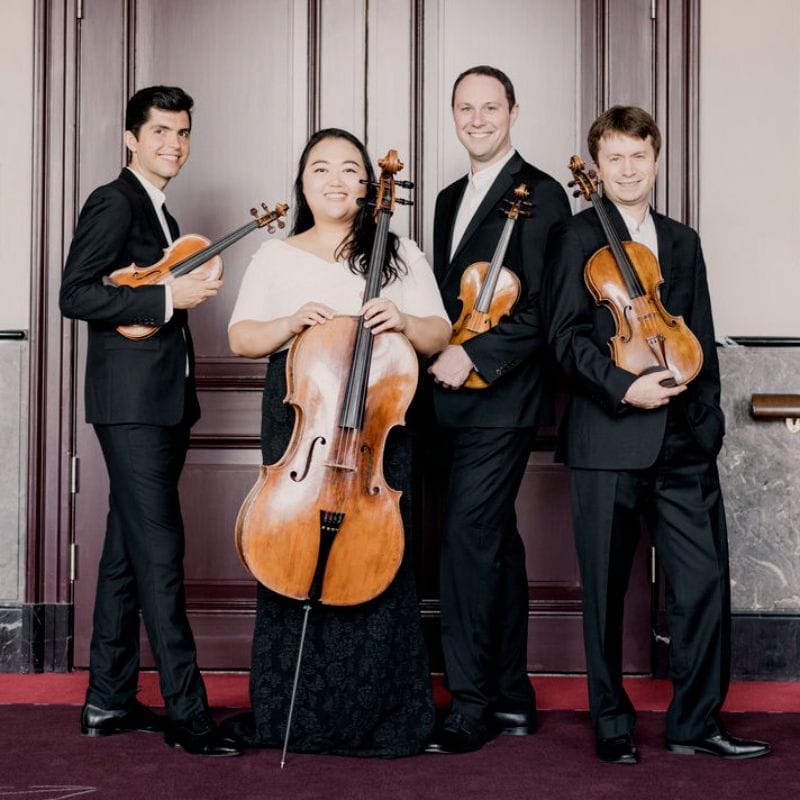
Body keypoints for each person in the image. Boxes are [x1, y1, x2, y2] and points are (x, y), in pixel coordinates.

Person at [543, 105, 770, 764]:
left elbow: (696, 332)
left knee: (702, 585)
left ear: (656, 160)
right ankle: (612, 726)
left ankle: (695, 724)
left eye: (638, 156)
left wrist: (708, 423)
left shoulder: (682, 240)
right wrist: (623, 387)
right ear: (597, 166)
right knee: (606, 593)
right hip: (607, 436)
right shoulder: (573, 237)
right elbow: (563, 338)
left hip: (680, 440)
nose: (627, 169)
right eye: (614, 158)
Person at [226, 128, 451, 756]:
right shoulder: (275, 255)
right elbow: (241, 338)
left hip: (376, 429)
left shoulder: (397, 250)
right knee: (289, 553)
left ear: (369, 185)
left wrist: (404, 319)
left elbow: (438, 333)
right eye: (320, 168)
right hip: (303, 425)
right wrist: (289, 320)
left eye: (350, 169)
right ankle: (289, 713)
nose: (335, 180)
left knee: (376, 559)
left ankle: (377, 714)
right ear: (302, 182)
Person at [59, 85, 239, 757]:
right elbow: (74, 293)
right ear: (131, 138)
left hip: (161, 404)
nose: (174, 143)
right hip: (132, 408)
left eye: (183, 132)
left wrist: (168, 293)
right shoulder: (115, 200)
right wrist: (169, 295)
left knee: (126, 552)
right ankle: (190, 717)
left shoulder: (162, 211)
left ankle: (107, 699)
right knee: (161, 554)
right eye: (161, 131)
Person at [425, 65, 571, 754]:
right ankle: (512, 695)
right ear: (453, 115)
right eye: (465, 108)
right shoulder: (449, 198)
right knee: (493, 543)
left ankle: (471, 702)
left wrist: (477, 356)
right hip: (445, 399)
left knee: (465, 539)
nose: (477, 119)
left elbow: (545, 307)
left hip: (504, 399)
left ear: (513, 112)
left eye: (490, 107)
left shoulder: (543, 193)